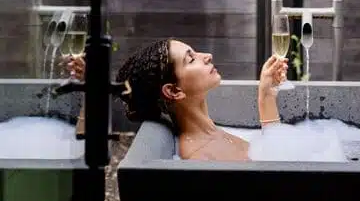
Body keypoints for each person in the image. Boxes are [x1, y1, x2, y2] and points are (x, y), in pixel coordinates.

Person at [65, 39, 288, 161]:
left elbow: (275, 164)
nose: (207, 56)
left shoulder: (210, 134)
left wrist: (266, 95)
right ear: (173, 91)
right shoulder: (202, 156)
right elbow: (278, 181)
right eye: (191, 59)